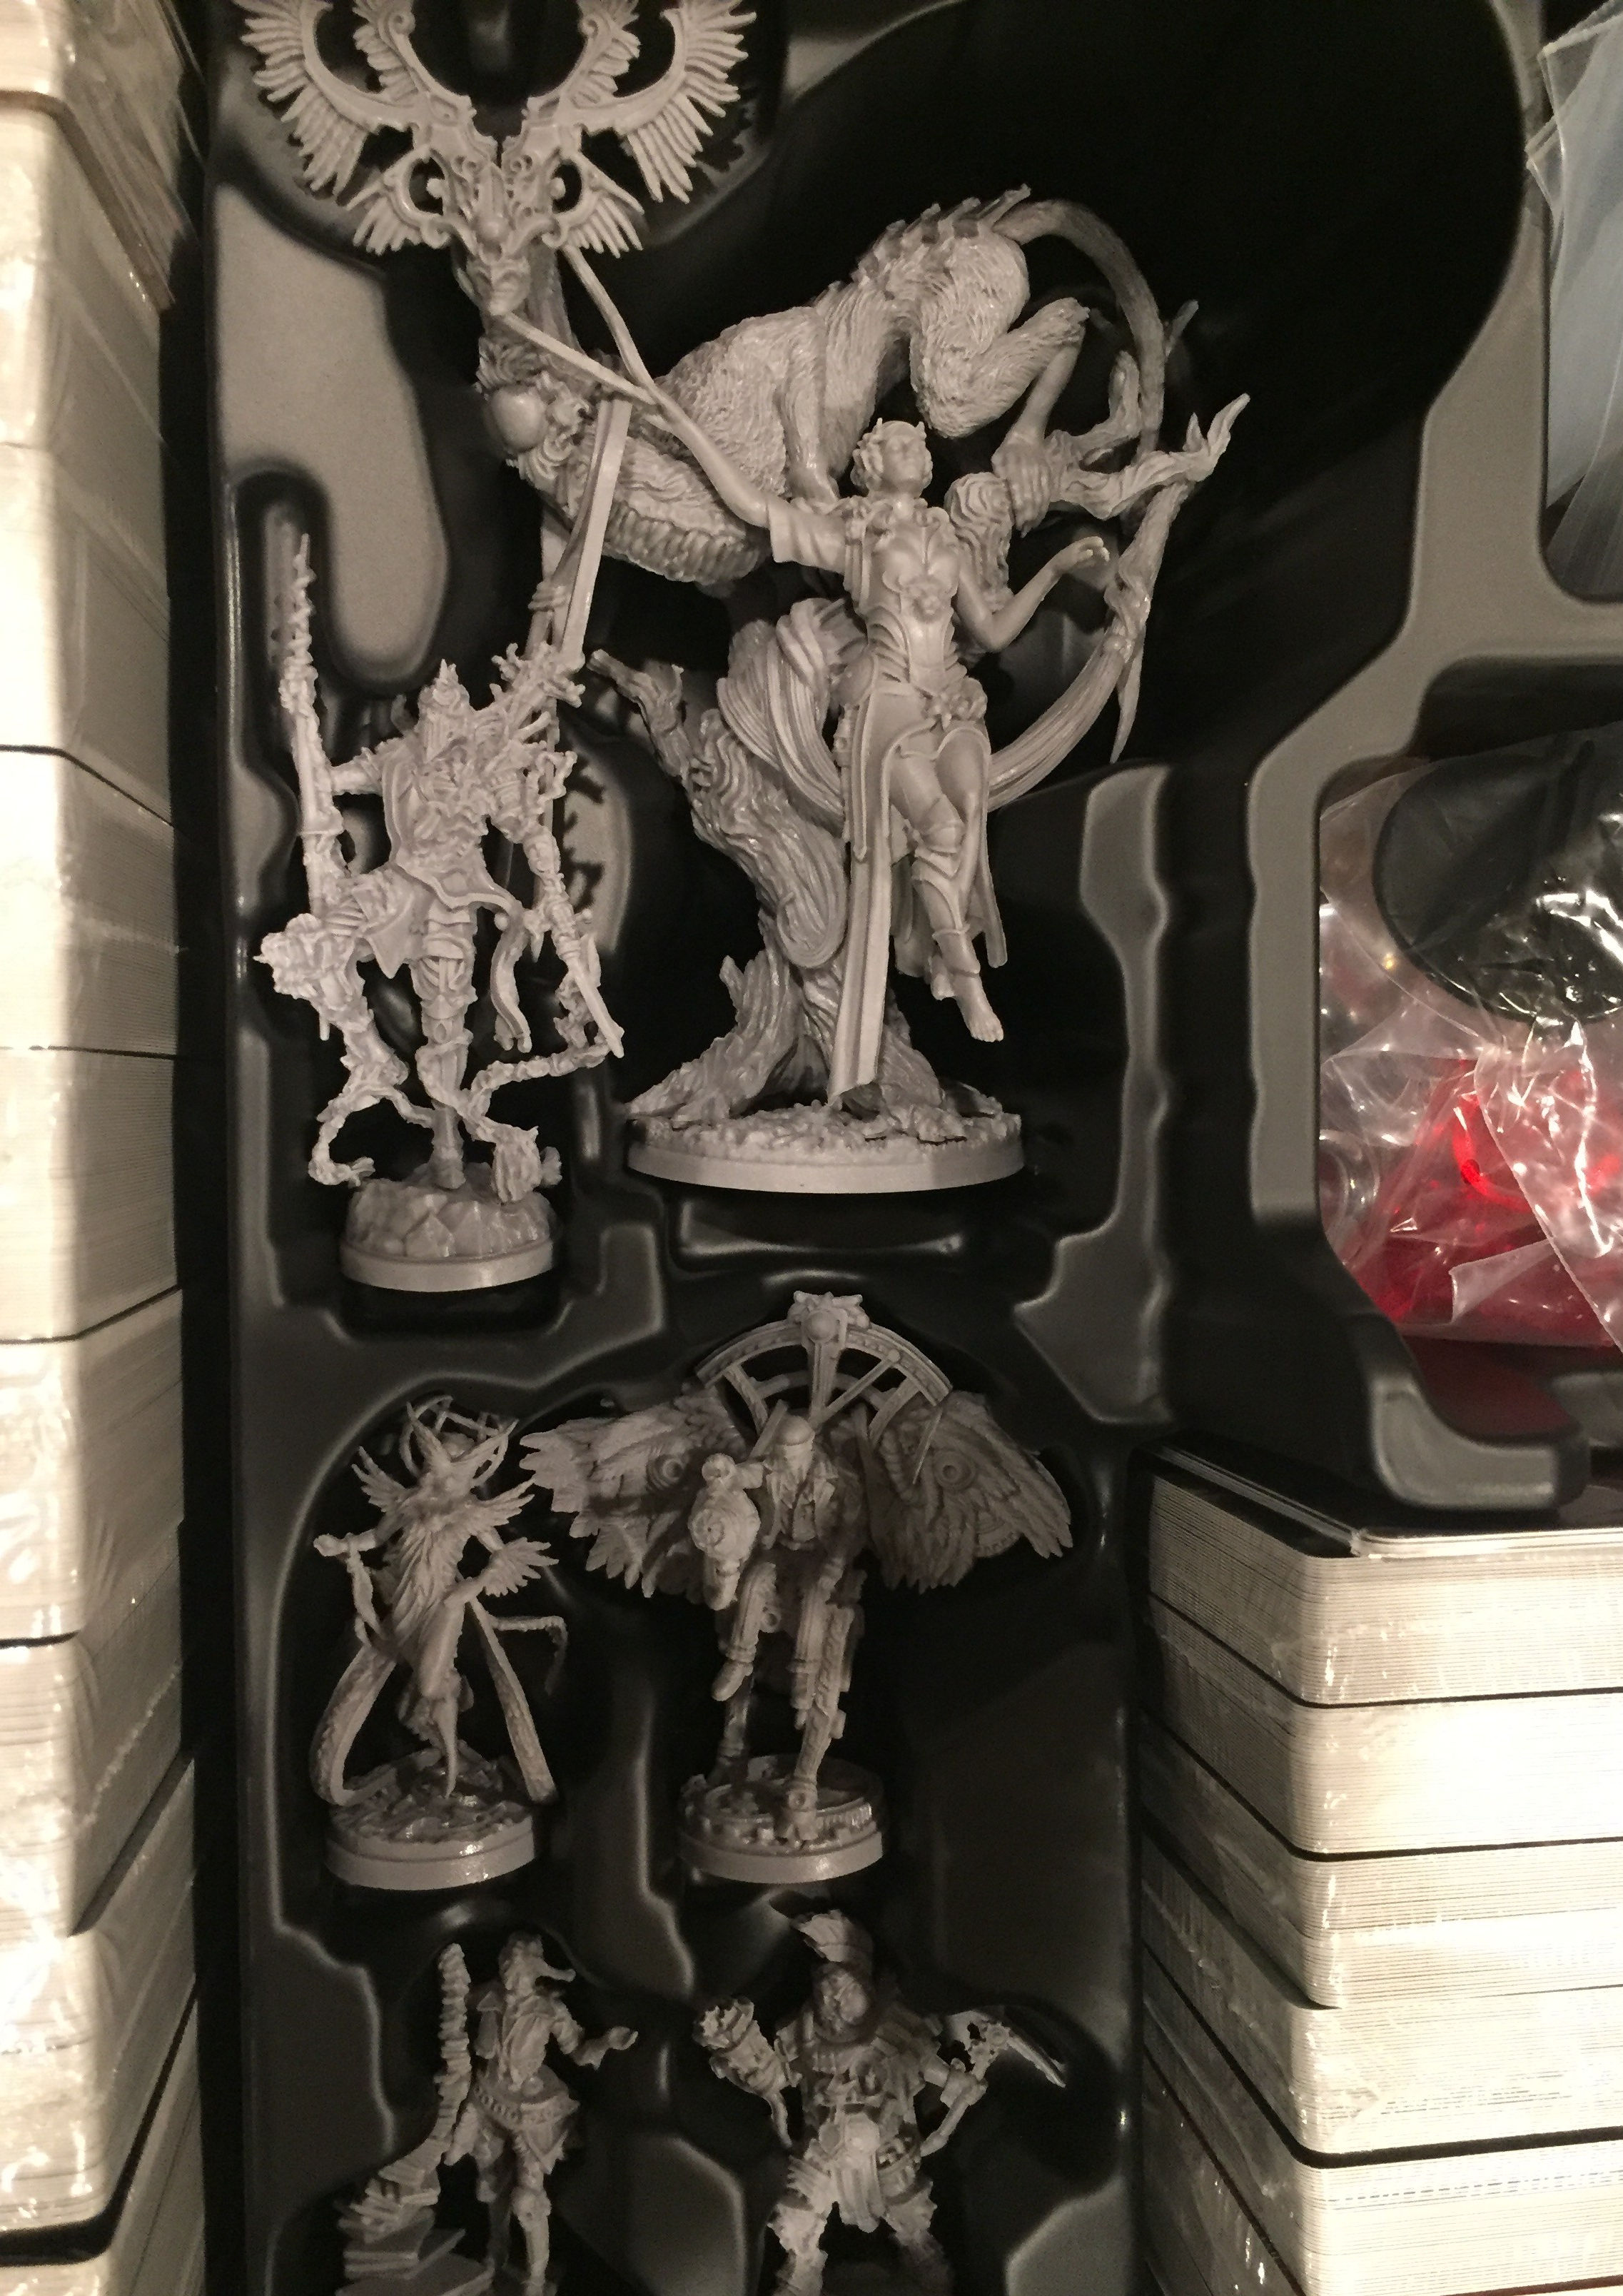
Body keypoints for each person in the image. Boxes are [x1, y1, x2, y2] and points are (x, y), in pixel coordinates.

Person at [642, 391, 1106, 1098]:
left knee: (970, 811)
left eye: (917, 443)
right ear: (869, 465)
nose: (912, 449)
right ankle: (970, 986)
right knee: (940, 829)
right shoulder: (854, 537)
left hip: (949, 699)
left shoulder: (947, 539)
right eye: (895, 442)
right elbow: (756, 509)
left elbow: (994, 633)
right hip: (886, 706)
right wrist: (687, 429)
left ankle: (945, 950)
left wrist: (1056, 571)